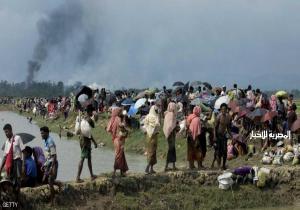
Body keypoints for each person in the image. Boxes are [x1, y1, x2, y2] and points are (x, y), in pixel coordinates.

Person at [0, 124, 25, 200]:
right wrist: (1, 167)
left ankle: (18, 198)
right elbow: (5, 156)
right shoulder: (7, 142)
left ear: (11, 130)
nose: (6, 134)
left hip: (18, 161)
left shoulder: (17, 138)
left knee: (18, 180)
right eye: (5, 132)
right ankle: (13, 197)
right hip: (10, 163)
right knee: (10, 180)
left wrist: (23, 164)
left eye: (7, 132)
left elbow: (23, 151)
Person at [76, 105, 98, 183]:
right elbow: (93, 125)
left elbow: (88, 132)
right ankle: (78, 177)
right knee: (82, 158)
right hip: (85, 141)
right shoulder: (89, 120)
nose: (93, 113)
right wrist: (96, 116)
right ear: (90, 112)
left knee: (89, 158)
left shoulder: (82, 118)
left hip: (83, 139)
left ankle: (91, 175)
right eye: (92, 111)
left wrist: (94, 142)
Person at [40, 126, 61, 205]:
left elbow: (54, 156)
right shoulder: (46, 141)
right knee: (49, 181)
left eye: (42, 133)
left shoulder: (50, 141)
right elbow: (48, 156)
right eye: (41, 133)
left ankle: (52, 201)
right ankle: (59, 186)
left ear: (47, 133)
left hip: (53, 164)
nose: (41, 135)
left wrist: (52, 167)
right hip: (49, 163)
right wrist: (44, 165)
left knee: (50, 181)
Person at [107, 107, 129, 177]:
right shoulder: (118, 119)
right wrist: (125, 117)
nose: (121, 113)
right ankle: (114, 172)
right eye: (120, 112)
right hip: (119, 140)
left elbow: (109, 129)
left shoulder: (112, 120)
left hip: (115, 139)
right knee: (119, 156)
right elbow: (122, 126)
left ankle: (122, 172)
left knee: (120, 155)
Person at [212, 103, 232, 170]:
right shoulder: (218, 116)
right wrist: (214, 136)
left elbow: (228, 127)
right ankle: (219, 166)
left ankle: (223, 165)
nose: (223, 110)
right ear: (220, 110)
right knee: (218, 151)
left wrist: (231, 135)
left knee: (225, 151)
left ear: (226, 110)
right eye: (222, 109)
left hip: (224, 136)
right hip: (218, 135)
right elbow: (215, 127)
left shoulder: (228, 117)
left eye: (225, 109)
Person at [144, 105, 160, 174]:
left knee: (150, 152)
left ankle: (151, 169)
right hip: (153, 137)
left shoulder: (147, 116)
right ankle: (148, 168)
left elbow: (145, 125)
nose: (157, 111)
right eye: (156, 110)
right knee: (152, 152)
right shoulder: (156, 117)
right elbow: (158, 125)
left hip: (148, 136)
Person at [163, 102, 178, 171]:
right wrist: (176, 128)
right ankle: (166, 166)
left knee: (171, 149)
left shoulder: (166, 113)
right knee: (171, 149)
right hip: (171, 134)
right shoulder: (172, 114)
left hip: (168, 134)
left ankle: (173, 166)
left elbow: (167, 125)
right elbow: (171, 126)